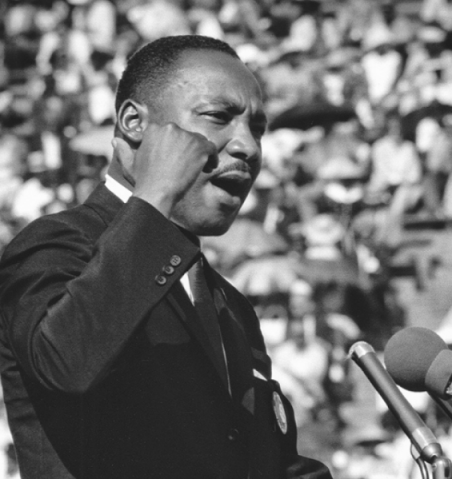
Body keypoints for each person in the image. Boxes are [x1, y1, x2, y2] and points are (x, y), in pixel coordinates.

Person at [0, 35, 333, 479]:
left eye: (257, 129)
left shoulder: (230, 306)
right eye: (218, 117)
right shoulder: (56, 244)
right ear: (134, 123)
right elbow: (67, 364)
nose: (248, 148)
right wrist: (155, 195)